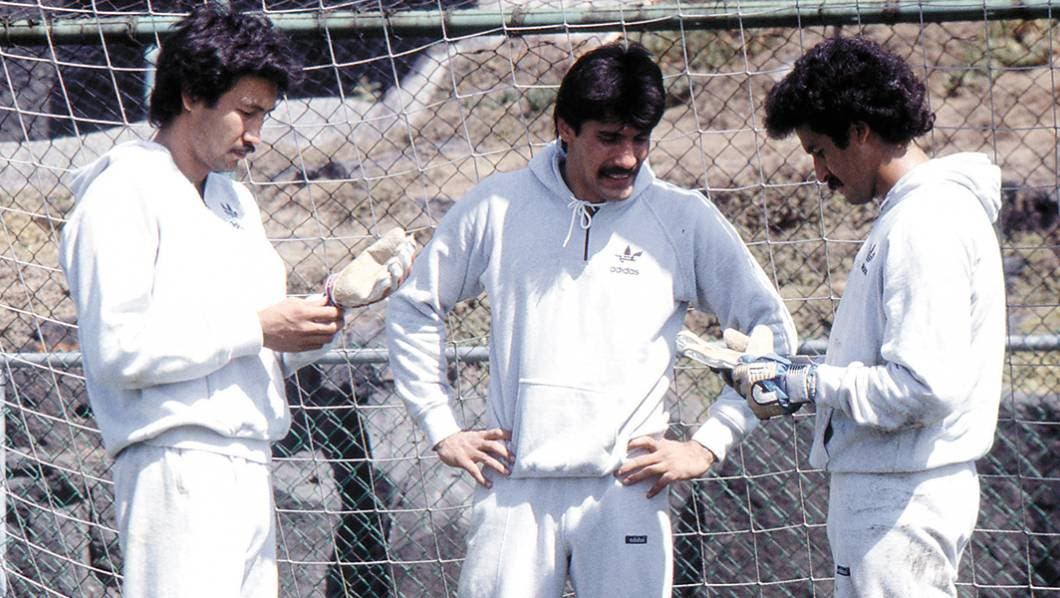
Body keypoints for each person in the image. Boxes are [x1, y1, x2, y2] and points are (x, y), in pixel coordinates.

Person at [386, 42, 797, 597]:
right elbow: (415, 304)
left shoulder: (682, 217)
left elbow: (772, 326)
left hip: (628, 488)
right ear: (565, 129)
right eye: (608, 137)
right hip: (515, 486)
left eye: (640, 138)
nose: (627, 157)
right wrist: (441, 426)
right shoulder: (497, 205)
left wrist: (709, 442)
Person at [58, 5, 387, 595]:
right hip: (176, 464)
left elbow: (259, 343)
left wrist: (324, 316)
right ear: (190, 96)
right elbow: (116, 350)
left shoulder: (234, 201)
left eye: (265, 115)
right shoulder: (121, 194)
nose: (256, 134)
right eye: (247, 111)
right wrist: (258, 328)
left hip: (251, 460)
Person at [724, 36, 1004, 597]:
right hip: (890, 489)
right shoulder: (911, 215)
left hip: (902, 498)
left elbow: (924, 388)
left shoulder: (926, 223)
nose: (818, 173)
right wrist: (797, 380)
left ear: (859, 131)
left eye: (820, 150)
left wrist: (807, 382)